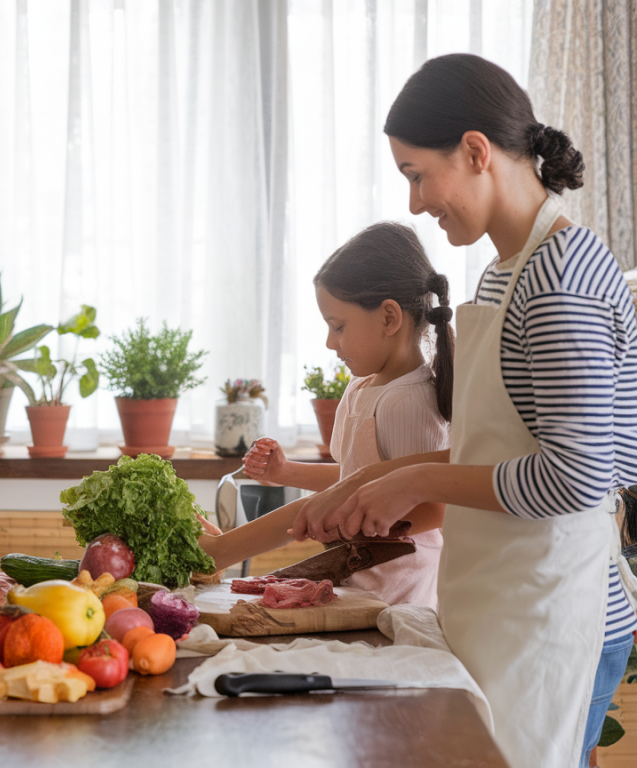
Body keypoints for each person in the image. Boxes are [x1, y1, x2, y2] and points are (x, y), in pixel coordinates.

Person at [290, 54, 637, 768]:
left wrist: (417, 482)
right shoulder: (508, 269)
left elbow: (574, 479)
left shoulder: (560, 280)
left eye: (418, 175)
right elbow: (499, 445)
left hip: (556, 613)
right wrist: (377, 483)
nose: (416, 203)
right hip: (509, 602)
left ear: (477, 151)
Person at [200, 221, 453, 608]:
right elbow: (358, 476)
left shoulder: (408, 401)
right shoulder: (363, 387)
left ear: (389, 318)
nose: (330, 342)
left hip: (397, 590)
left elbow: (430, 507)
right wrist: (288, 474)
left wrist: (341, 517)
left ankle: (217, 551)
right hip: (358, 577)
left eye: (339, 326)